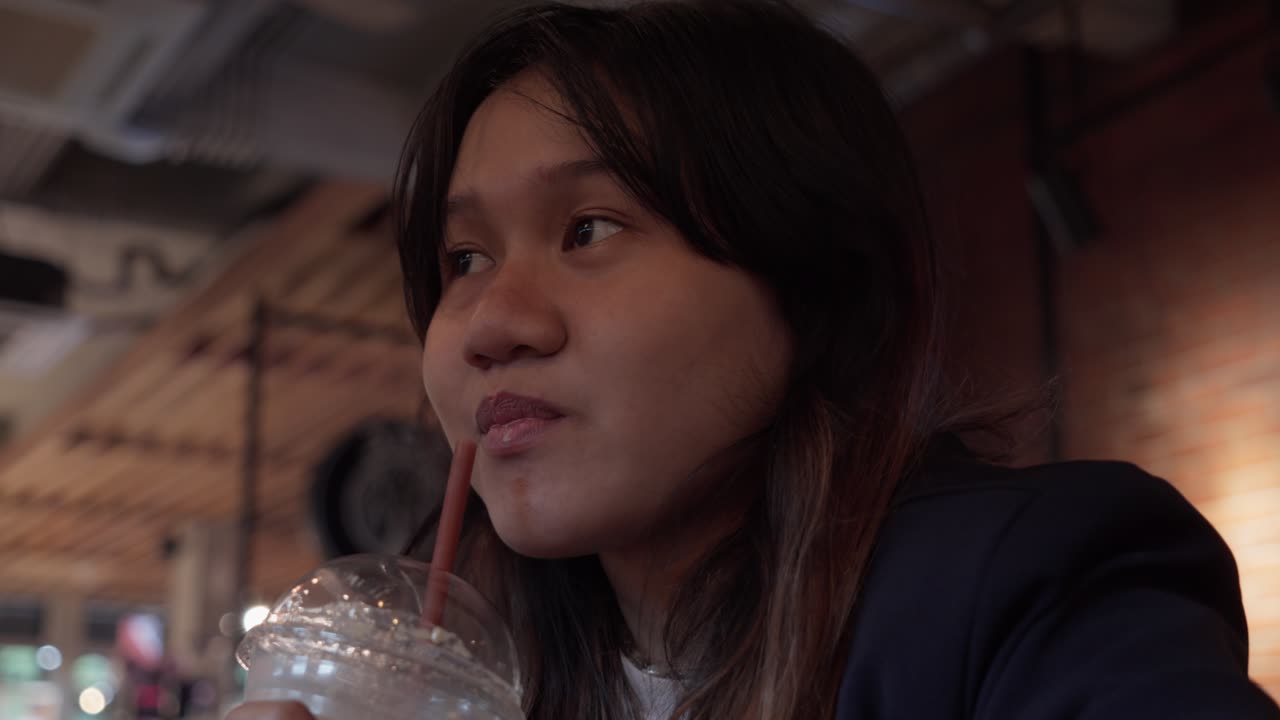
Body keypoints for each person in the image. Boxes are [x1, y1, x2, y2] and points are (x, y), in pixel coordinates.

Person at [230, 1, 1280, 718]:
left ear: (815, 290)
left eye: (589, 229)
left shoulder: (1029, 589)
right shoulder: (479, 671)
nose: (487, 324)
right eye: (463, 259)